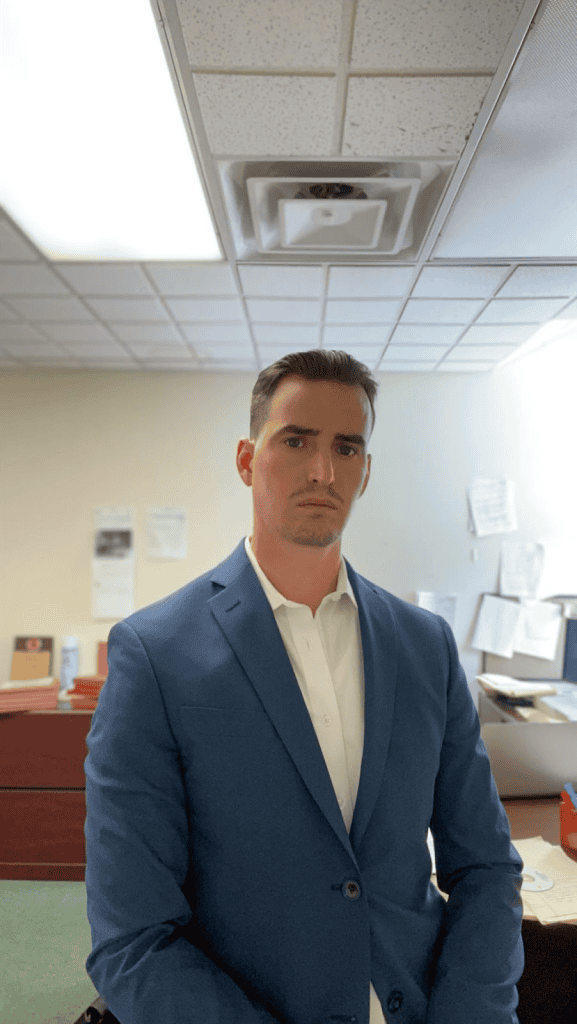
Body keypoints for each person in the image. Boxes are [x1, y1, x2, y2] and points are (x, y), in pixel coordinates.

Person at [84, 349, 524, 1024]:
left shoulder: (424, 646)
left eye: (346, 448)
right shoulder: (155, 654)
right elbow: (133, 936)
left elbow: (485, 869)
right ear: (245, 459)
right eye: (295, 440)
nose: (322, 470)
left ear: (366, 472)